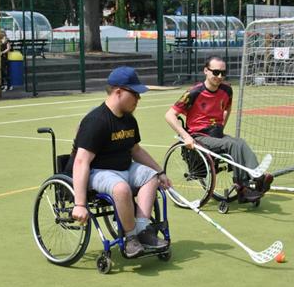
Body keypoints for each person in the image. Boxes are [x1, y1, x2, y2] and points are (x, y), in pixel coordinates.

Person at [71, 66, 171, 258]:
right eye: (134, 94)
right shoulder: (96, 121)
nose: (138, 99)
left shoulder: (129, 120)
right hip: (99, 171)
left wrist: (160, 171)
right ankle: (131, 237)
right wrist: (80, 204)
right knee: (121, 189)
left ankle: (143, 229)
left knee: (151, 177)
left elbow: (136, 150)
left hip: (125, 168)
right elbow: (81, 161)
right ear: (118, 92)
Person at [164, 56, 273, 202]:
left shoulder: (227, 90)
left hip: (216, 134)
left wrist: (221, 126)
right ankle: (245, 185)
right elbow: (169, 115)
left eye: (223, 73)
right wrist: (186, 137)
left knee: (240, 142)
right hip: (199, 136)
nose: (220, 76)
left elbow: (227, 108)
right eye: (216, 72)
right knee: (231, 144)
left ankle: (256, 178)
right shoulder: (193, 92)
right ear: (206, 71)